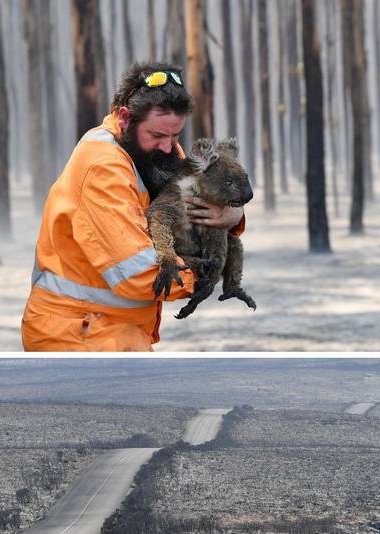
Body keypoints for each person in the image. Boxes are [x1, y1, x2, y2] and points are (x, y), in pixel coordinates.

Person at [21, 61, 246, 352]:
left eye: (176, 135)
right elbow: (138, 273)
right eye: (158, 136)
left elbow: (202, 202)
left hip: (113, 328)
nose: (170, 147)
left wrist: (233, 215)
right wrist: (209, 272)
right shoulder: (103, 167)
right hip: (76, 333)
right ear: (126, 118)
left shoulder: (154, 151)